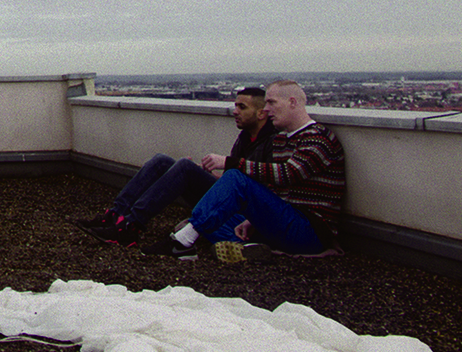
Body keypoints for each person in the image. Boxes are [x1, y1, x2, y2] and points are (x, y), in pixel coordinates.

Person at [142, 79, 345, 260]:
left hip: (310, 230)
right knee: (217, 217)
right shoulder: (283, 139)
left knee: (235, 178)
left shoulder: (319, 137)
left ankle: (182, 242)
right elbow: (276, 189)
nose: (266, 109)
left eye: (271, 103)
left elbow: (287, 174)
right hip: (286, 221)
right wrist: (252, 220)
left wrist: (230, 162)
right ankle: (248, 247)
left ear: (292, 102)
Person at [75, 86, 274, 248]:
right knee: (162, 161)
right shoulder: (246, 137)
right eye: (235, 105)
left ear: (261, 114)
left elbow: (261, 188)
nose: (235, 111)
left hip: (244, 212)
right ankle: (115, 216)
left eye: (242, 107)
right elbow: (234, 180)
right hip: (228, 198)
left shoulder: (273, 141)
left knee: (185, 168)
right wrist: (208, 174)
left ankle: (130, 227)